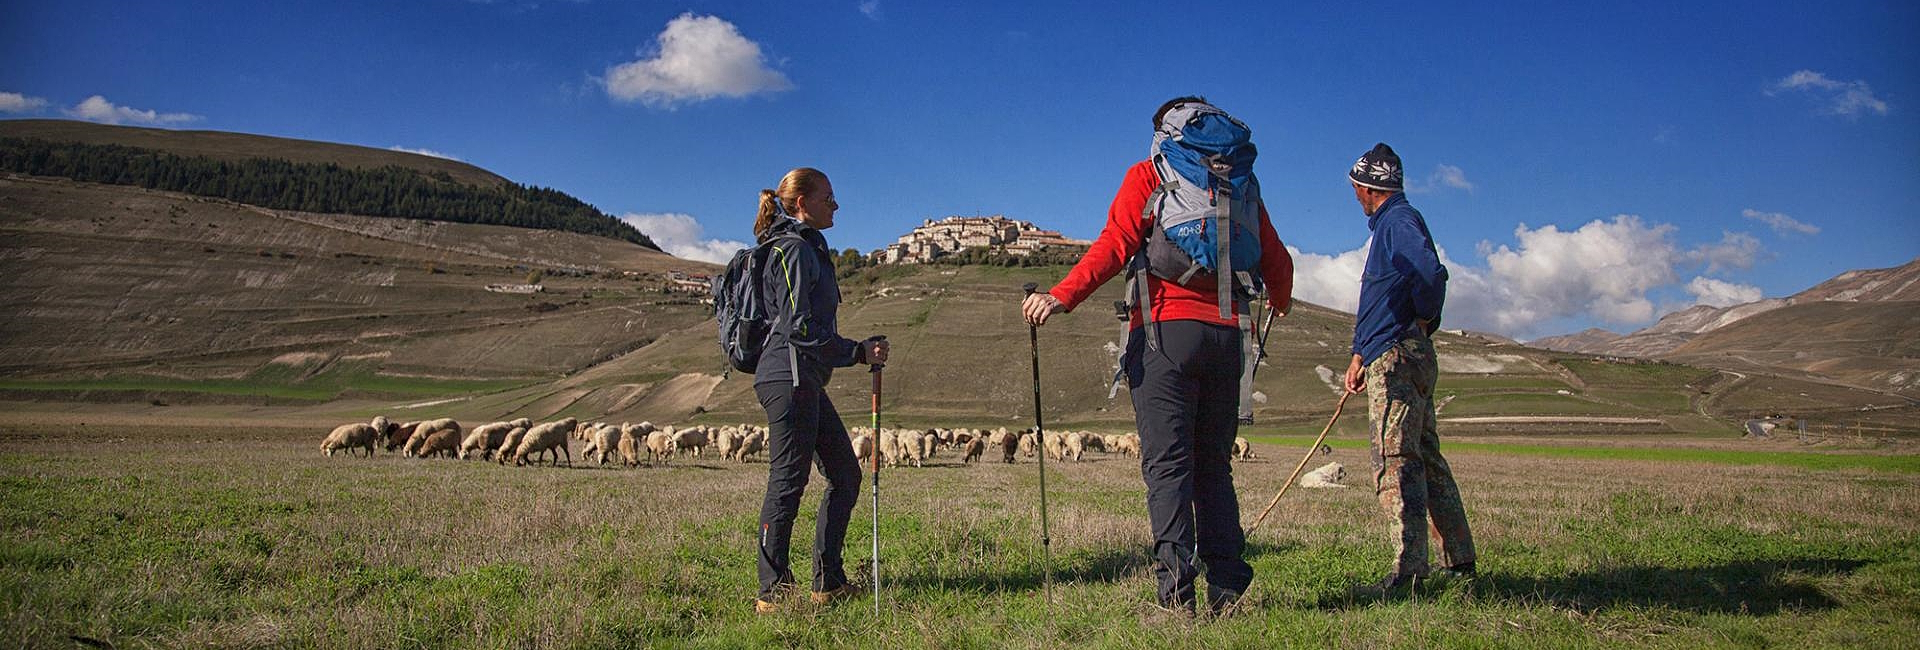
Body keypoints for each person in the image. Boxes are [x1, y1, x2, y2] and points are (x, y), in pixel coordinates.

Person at [1022, 97, 1294, 617]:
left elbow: (1116, 244)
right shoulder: (1240, 185)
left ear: (1162, 133)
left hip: (1166, 335)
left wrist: (1061, 296)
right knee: (1214, 468)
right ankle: (1227, 589)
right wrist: (1279, 302)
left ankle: (1176, 597)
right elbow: (1277, 260)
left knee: (1169, 468)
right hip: (1227, 340)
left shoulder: (1151, 174)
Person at [749, 167, 889, 613]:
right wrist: (856, 352)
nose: (836, 205)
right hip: (787, 376)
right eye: (828, 197)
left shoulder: (808, 248)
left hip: (804, 377)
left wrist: (852, 351)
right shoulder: (793, 249)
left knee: (846, 474)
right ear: (802, 203)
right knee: (788, 481)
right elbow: (799, 326)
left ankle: (828, 582)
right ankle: (773, 590)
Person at [1340, 143, 1477, 591]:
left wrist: (1421, 319)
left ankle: (1408, 572)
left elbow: (1430, 273)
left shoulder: (1397, 221)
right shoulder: (1394, 224)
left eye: (1356, 188)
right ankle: (1459, 560)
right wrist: (1360, 353)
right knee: (1425, 455)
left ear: (1368, 187)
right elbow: (1381, 298)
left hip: (1396, 354)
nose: (1355, 196)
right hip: (1396, 349)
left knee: (1395, 459)